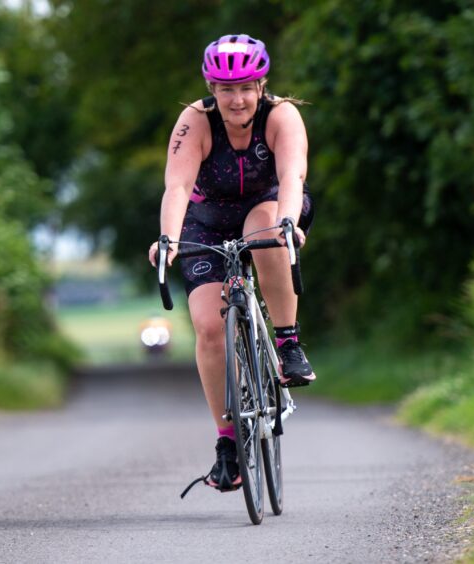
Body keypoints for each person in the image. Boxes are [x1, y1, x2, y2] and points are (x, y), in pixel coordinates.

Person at [147, 33, 316, 491]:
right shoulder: (195, 121)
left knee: (261, 235)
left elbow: (291, 175)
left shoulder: (282, 116)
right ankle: (228, 442)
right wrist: (168, 238)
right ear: (211, 87)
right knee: (207, 326)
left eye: (246, 87)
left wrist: (287, 223)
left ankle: (287, 343)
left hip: (271, 206)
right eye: (226, 89)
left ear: (261, 85)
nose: (236, 98)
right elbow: (178, 187)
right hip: (207, 220)